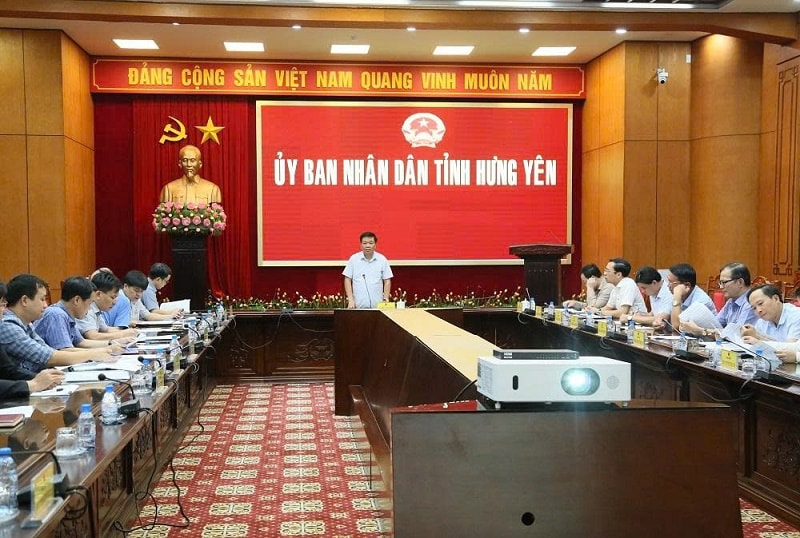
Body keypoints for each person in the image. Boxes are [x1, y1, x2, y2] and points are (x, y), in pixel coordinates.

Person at [0, 274, 118, 373]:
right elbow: (50, 357)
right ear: (25, 300)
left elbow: (50, 351)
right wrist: (93, 354)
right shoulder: (8, 326)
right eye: (42, 299)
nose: (45, 305)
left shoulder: (26, 324)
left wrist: (100, 351)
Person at [0, 282, 63, 398]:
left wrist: (41, 379)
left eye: (4, 304)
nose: (4, 311)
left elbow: (8, 370)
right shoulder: (7, 324)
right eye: (1, 305)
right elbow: (50, 357)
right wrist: (32, 385)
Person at [34, 276, 113, 350]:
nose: (90, 309)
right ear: (77, 300)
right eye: (89, 303)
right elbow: (65, 351)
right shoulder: (57, 315)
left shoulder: (68, 314)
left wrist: (111, 344)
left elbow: (81, 342)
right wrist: (104, 352)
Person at [680, 262, 757, 338]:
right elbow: (715, 325)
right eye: (720, 283)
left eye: (724, 282)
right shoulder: (731, 301)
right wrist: (691, 327)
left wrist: (700, 331)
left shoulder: (751, 303)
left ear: (740, 282)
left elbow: (736, 335)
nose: (721, 287)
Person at [76, 271, 138, 341]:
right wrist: (123, 334)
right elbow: (93, 336)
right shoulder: (87, 308)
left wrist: (131, 332)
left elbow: (106, 330)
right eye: (112, 297)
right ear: (98, 294)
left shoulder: (97, 309)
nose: (115, 302)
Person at [104, 270, 176, 328]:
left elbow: (147, 315)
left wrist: (170, 317)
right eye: (136, 290)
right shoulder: (117, 298)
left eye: (141, 292)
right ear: (125, 286)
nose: (139, 294)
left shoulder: (136, 299)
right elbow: (115, 324)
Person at [343, 231, 393, 309]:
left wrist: (385, 299)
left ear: (375, 245)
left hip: (378, 308)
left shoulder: (382, 259)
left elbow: (387, 280)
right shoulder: (354, 259)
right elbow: (347, 279)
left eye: (371, 243)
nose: (368, 246)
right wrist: (351, 300)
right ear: (361, 245)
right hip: (357, 307)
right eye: (365, 243)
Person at [665, 263, 716, 331]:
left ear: (687, 285)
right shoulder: (682, 294)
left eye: (671, 282)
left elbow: (676, 326)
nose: (668, 285)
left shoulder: (701, 301)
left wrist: (677, 296)